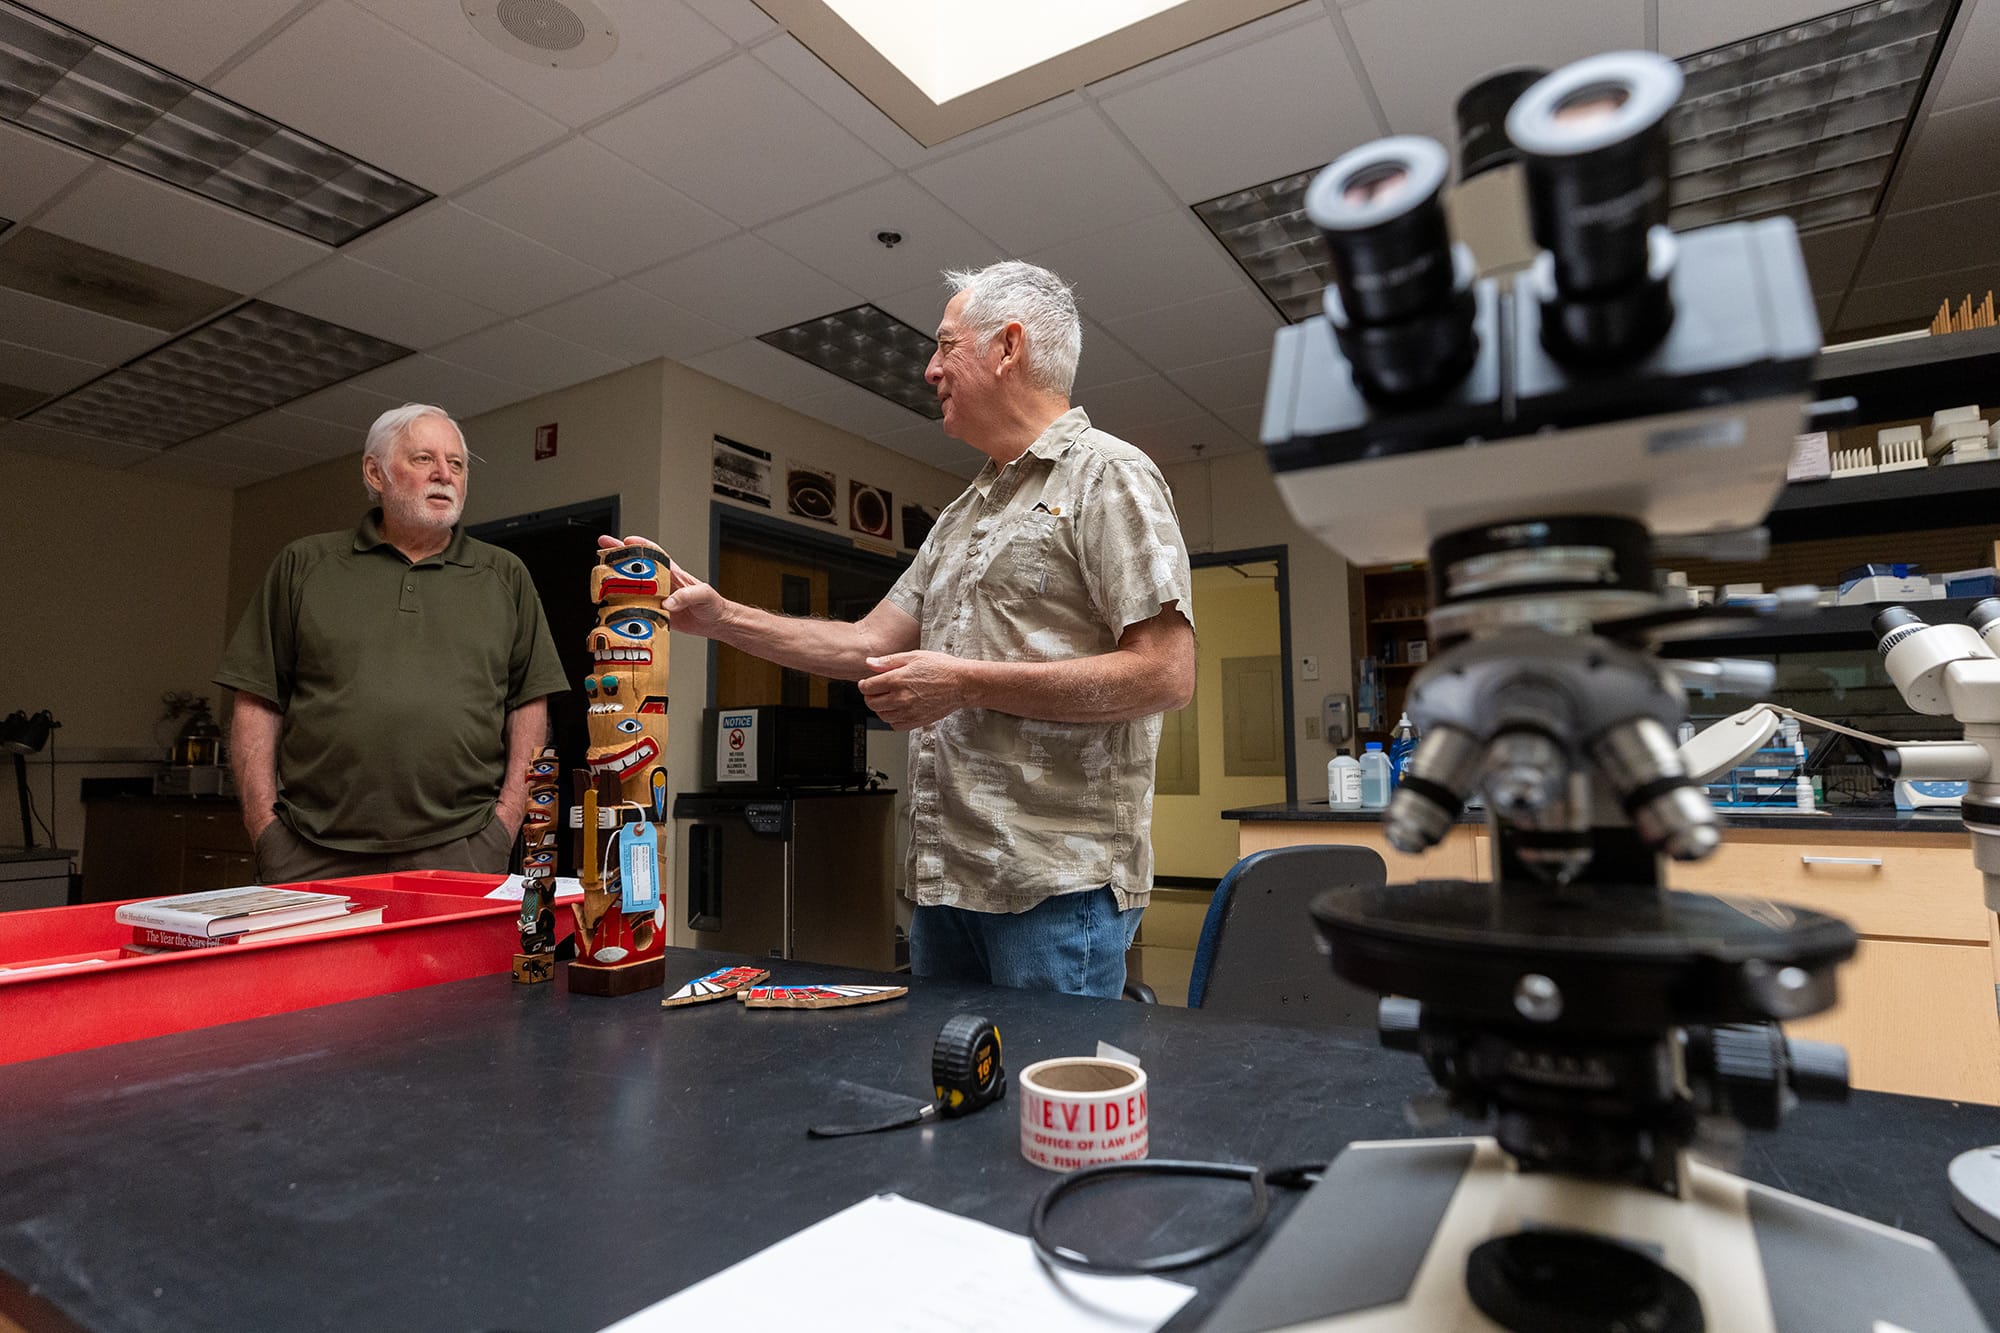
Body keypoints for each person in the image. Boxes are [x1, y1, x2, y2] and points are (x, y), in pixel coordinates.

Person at [650, 261, 1195, 997]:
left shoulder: (1108, 477)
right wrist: (722, 618)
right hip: (945, 889)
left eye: (946, 345)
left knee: (1038, 1110)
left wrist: (964, 680)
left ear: (1008, 348)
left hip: (1055, 891)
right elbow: (869, 643)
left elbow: (1166, 672)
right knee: (956, 1103)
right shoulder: (961, 515)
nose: (930, 368)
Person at [216, 403, 569, 884]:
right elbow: (256, 698)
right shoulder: (304, 565)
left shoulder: (505, 576)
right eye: (424, 458)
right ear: (375, 472)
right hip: (311, 851)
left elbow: (530, 702)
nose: (444, 474)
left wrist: (504, 825)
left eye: (457, 464)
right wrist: (266, 831)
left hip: (461, 850)